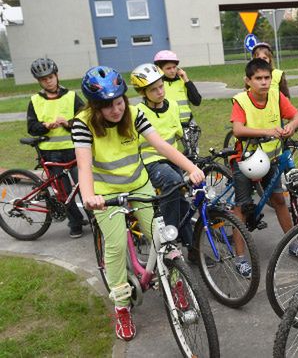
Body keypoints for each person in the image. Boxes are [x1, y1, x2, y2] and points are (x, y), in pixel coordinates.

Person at [72, 66, 204, 341]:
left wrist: (191, 168)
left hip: (139, 184)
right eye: (107, 106)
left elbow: (162, 146)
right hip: (104, 192)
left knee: (163, 238)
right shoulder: (83, 123)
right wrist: (89, 197)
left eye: (119, 102)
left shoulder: (135, 113)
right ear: (95, 107)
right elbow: (84, 166)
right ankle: (122, 306)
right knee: (118, 244)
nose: (116, 110)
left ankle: (176, 283)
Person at [230, 58, 298, 278]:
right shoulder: (241, 100)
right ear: (248, 81)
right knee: (241, 208)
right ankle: (240, 258)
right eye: (258, 78)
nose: (264, 82)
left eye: (267, 78)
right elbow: (238, 130)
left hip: (270, 159)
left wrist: (290, 125)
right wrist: (266, 131)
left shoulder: (275, 95)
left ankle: (292, 243)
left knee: (280, 201)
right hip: (245, 160)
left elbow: (297, 115)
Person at [130, 63, 196, 261]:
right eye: (153, 89)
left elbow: (177, 135)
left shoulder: (173, 106)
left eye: (161, 86)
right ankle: (169, 240)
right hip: (151, 162)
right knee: (173, 183)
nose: (160, 92)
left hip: (172, 158)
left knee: (181, 200)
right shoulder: (137, 112)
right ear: (143, 92)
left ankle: (193, 248)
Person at [26, 57, 86, 238]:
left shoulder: (71, 96)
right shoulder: (35, 100)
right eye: (44, 79)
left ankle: (94, 218)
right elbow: (31, 127)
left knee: (84, 186)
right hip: (51, 153)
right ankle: (75, 222)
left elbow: (85, 119)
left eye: (50, 77)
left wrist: (67, 123)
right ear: (39, 81)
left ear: (56, 75)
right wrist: (44, 126)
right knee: (64, 192)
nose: (48, 81)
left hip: (74, 150)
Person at [153, 50, 202, 156]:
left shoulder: (182, 81)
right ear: (159, 69)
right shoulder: (158, 86)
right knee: (168, 154)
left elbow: (197, 101)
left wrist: (186, 80)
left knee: (193, 155)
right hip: (168, 125)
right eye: (168, 68)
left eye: (174, 67)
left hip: (187, 124)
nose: (172, 71)